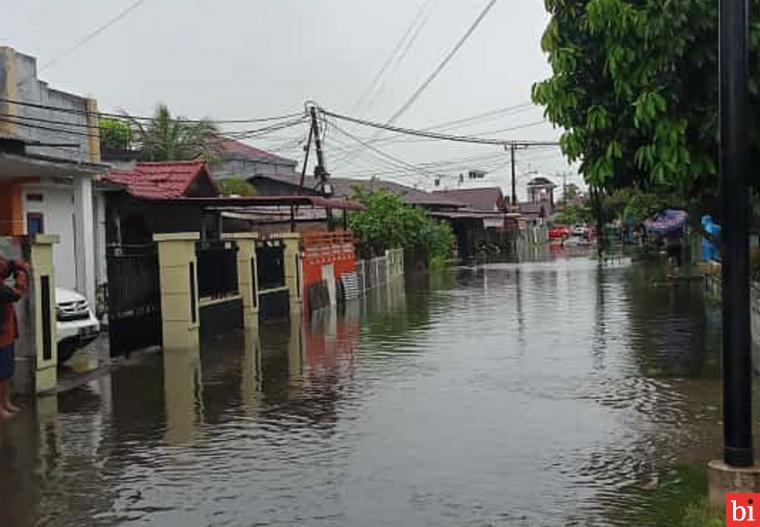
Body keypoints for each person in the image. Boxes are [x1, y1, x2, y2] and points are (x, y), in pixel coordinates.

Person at [0, 254, 30, 421]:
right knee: (1, 374)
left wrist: (17, 265)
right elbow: (16, 294)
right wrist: (22, 279)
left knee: (7, 371)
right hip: (1, 334)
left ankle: (6, 402)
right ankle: (0, 407)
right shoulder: (2, 289)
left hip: (8, 332)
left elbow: (7, 265)